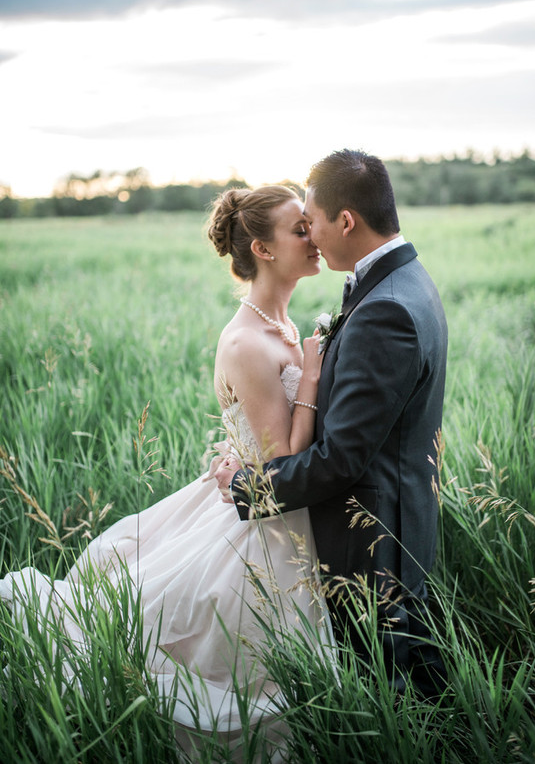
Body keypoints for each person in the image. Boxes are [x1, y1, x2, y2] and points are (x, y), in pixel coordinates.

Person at [0, 184, 330, 753]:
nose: (315, 235)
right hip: (265, 520)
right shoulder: (248, 341)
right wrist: (315, 377)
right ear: (265, 249)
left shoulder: (281, 326)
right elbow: (281, 464)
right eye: (300, 228)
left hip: (277, 505)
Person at [220, 149, 448, 697]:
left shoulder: (386, 308)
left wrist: (246, 486)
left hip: (374, 541)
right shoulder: (403, 282)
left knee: (390, 691)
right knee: (396, 683)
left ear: (345, 221)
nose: (313, 236)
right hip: (384, 522)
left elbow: (343, 457)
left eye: (313, 223)